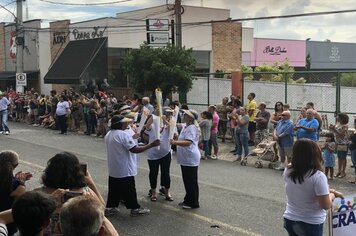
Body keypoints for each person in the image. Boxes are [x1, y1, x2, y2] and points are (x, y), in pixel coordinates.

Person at [283, 139, 343, 236]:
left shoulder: (289, 169)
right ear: (316, 154)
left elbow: (306, 188)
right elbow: (326, 205)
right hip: (309, 223)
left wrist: (332, 190)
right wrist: (332, 195)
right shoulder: (318, 176)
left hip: (290, 218)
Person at [37, 152, 105, 234]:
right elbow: (102, 210)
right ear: (77, 171)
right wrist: (91, 183)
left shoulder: (38, 194)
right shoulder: (86, 192)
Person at [105, 115, 160, 216]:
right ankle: (135, 208)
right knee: (129, 189)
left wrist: (134, 139)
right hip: (124, 168)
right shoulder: (122, 134)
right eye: (125, 122)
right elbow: (134, 149)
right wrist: (151, 145)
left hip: (114, 169)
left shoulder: (109, 134)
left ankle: (110, 207)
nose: (127, 124)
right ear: (121, 124)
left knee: (114, 189)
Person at [170, 109, 200, 209]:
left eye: (185, 115)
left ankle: (193, 203)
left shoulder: (191, 128)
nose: (183, 115)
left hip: (190, 157)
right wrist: (170, 118)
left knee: (191, 181)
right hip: (186, 158)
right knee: (187, 180)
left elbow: (188, 142)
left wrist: (175, 142)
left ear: (190, 118)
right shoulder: (185, 126)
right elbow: (175, 125)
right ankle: (188, 200)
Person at [144, 109, 174, 202]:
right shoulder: (152, 126)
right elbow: (146, 126)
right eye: (166, 113)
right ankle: (153, 192)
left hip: (165, 153)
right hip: (153, 154)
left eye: (169, 114)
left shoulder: (169, 125)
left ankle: (167, 192)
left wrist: (165, 120)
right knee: (153, 173)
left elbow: (172, 131)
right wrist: (153, 117)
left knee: (166, 173)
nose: (168, 115)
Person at [0, 150, 32, 235]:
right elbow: (22, 209)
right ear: (16, 165)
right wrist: (21, 183)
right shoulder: (17, 186)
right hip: (6, 227)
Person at [329, 113, 349, 178]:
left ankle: (343, 172)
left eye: (338, 117)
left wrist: (334, 129)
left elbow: (342, 135)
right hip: (338, 143)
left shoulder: (345, 126)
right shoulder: (338, 124)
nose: (337, 117)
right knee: (339, 157)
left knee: (343, 158)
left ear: (342, 118)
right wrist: (332, 128)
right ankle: (339, 171)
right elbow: (335, 132)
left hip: (343, 144)